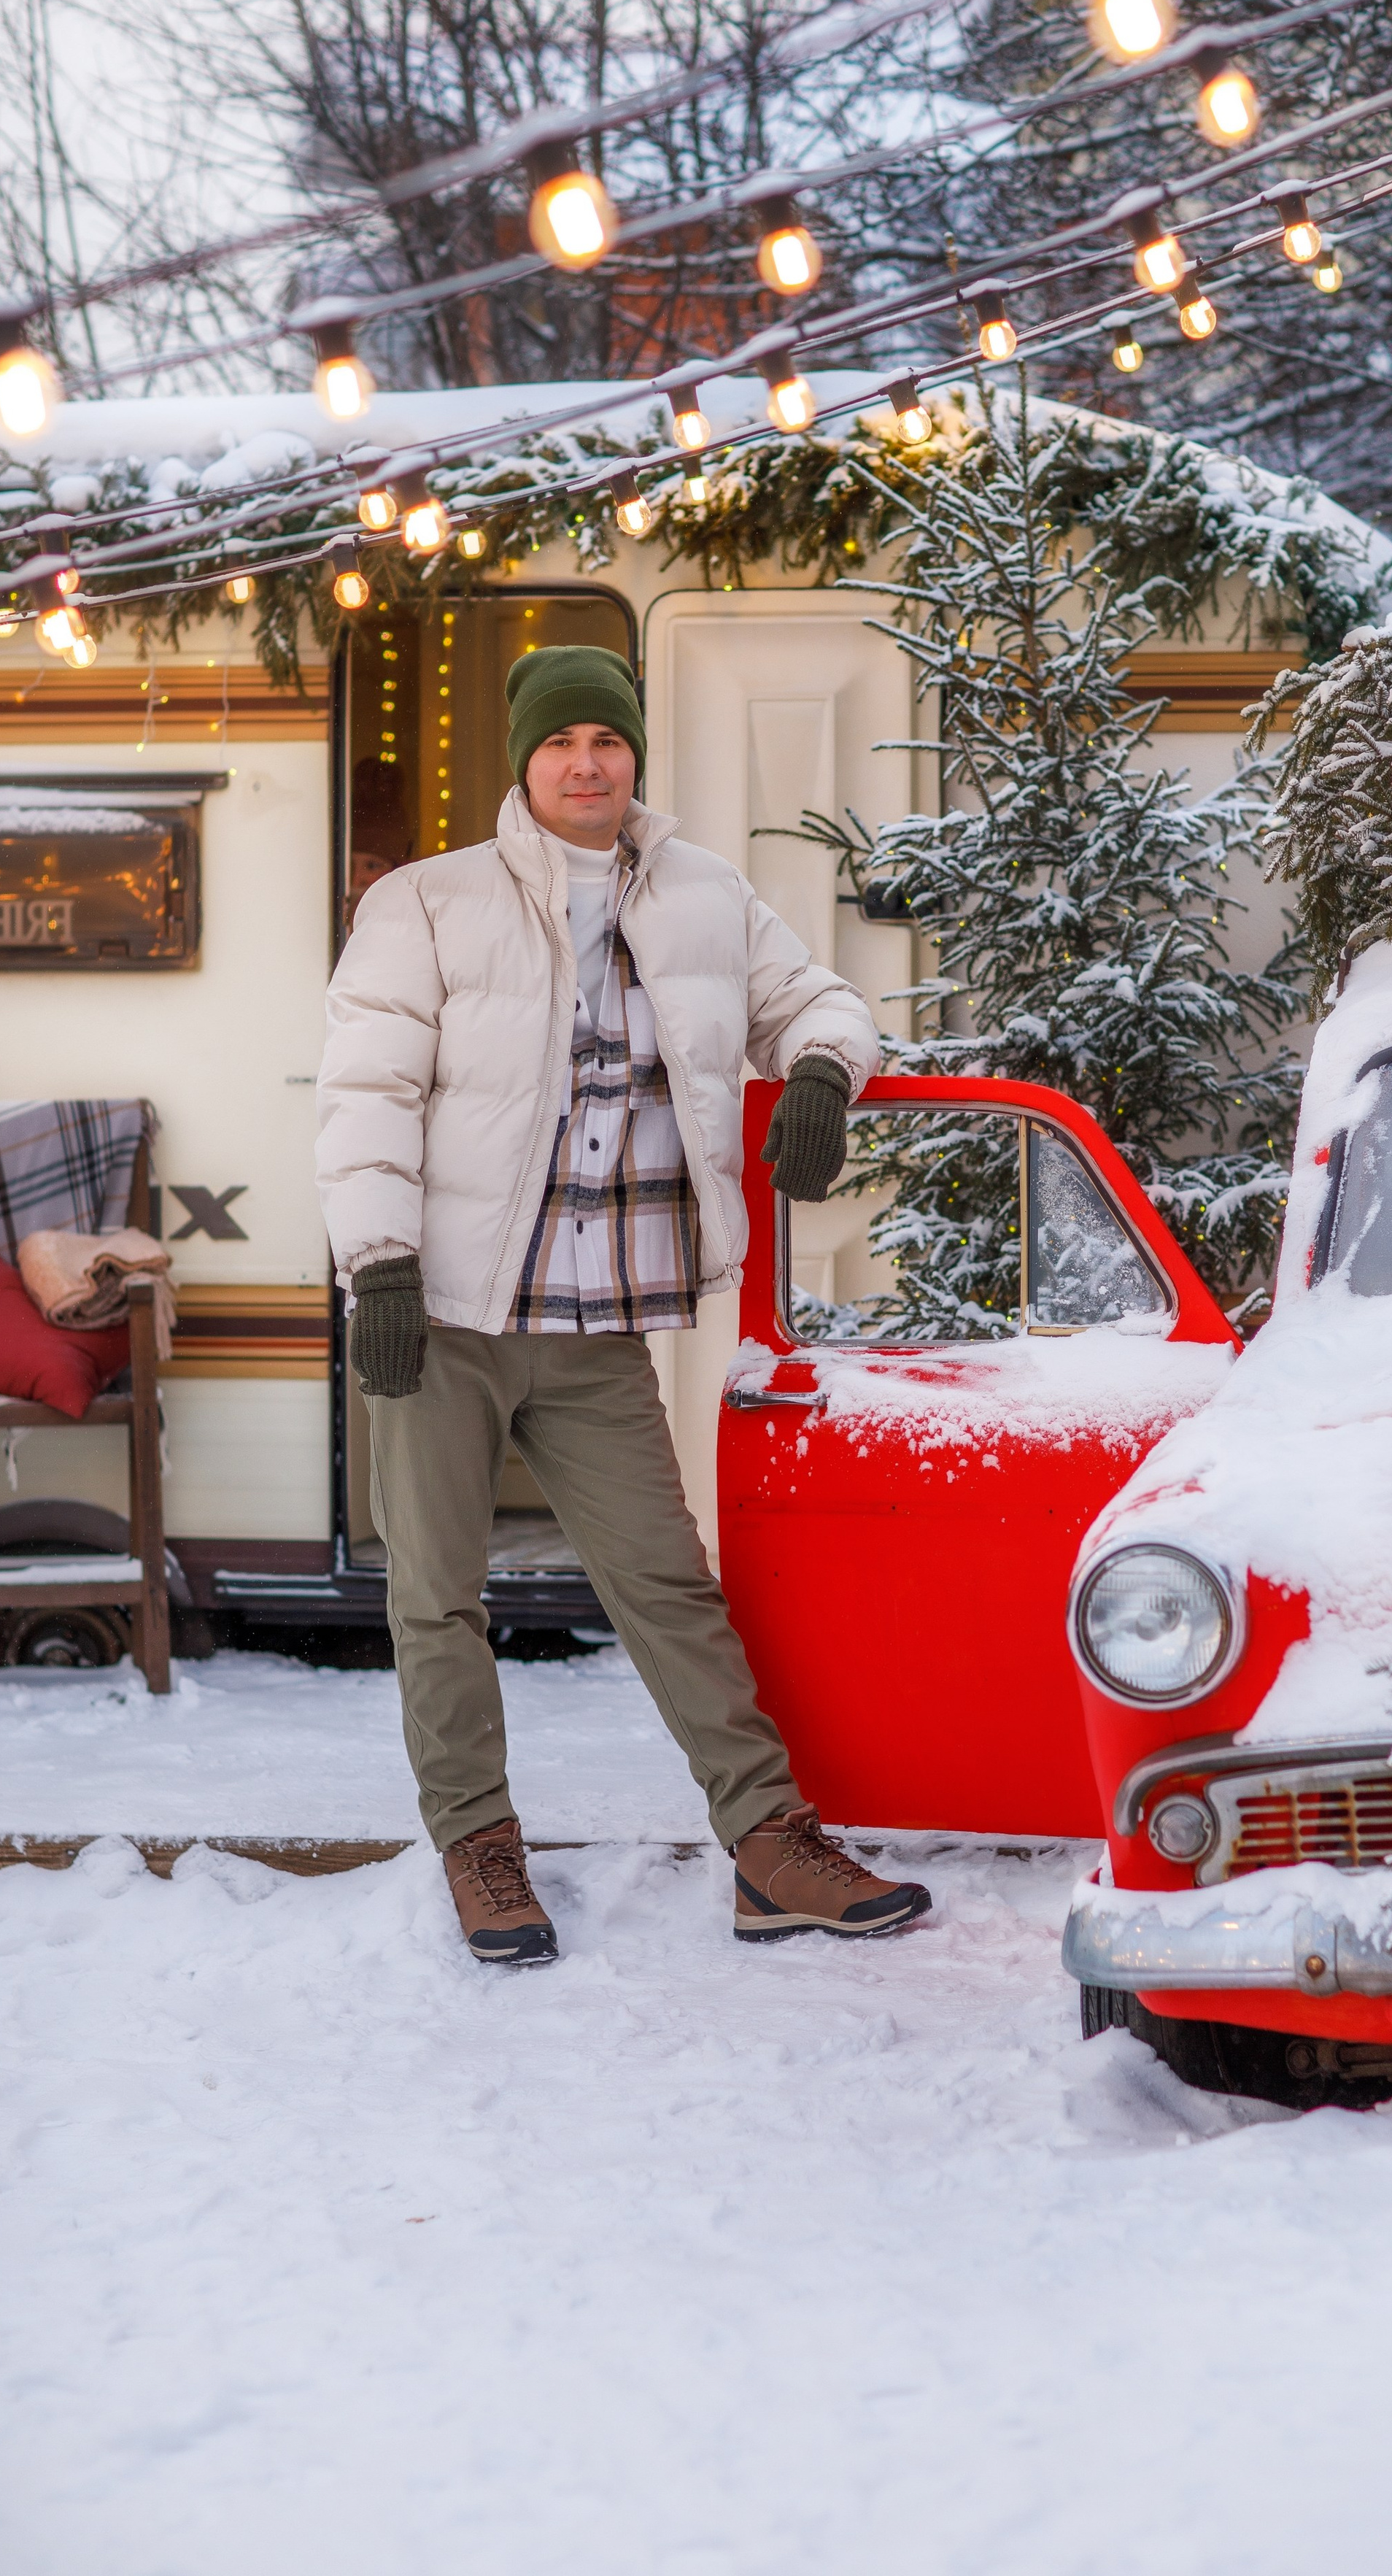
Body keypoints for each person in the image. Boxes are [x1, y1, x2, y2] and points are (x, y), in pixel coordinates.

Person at [317, 644, 931, 1964]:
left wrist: (822, 1070)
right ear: (523, 761)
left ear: (634, 751)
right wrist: (377, 1264)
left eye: (605, 738)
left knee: (666, 1583)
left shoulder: (705, 894)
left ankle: (770, 1845)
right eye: (558, 743)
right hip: (444, 1322)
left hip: (598, 1328)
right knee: (436, 1593)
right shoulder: (427, 905)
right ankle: (481, 1847)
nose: (584, 763)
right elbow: (365, 1094)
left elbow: (817, 1000)